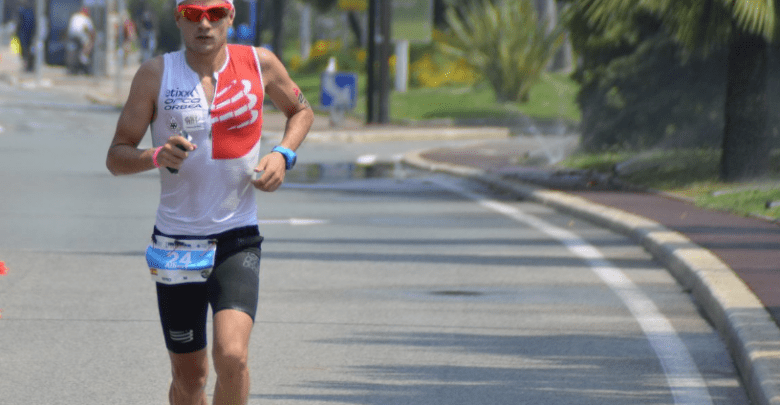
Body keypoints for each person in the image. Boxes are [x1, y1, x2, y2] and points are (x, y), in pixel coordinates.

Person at [105, 0, 313, 403]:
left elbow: (300, 110)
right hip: (177, 245)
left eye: (215, 13)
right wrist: (155, 156)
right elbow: (116, 156)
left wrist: (282, 154)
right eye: (194, 14)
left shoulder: (260, 64)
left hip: (237, 237)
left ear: (231, 17)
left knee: (232, 356)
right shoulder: (155, 75)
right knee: (190, 379)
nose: (205, 24)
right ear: (179, 19)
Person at [66, 7, 95, 74]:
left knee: (73, 52)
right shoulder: (86, 19)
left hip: (72, 38)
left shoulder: (75, 17)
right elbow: (90, 31)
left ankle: (72, 69)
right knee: (85, 52)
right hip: (80, 38)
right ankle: (84, 67)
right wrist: (92, 38)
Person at [16, 0, 36, 72]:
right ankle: (28, 66)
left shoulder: (24, 10)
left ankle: (28, 66)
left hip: (27, 35)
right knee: (27, 51)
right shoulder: (29, 10)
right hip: (27, 35)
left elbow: (19, 23)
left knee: (27, 51)